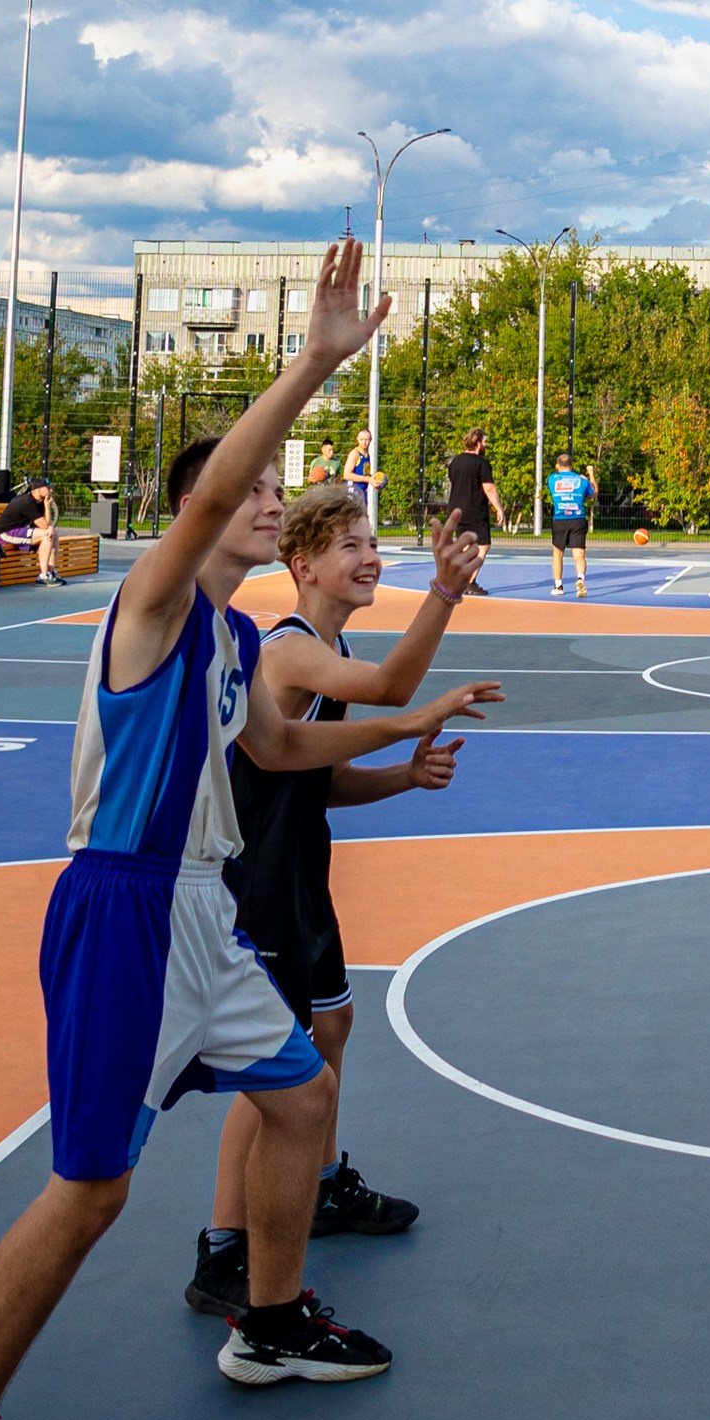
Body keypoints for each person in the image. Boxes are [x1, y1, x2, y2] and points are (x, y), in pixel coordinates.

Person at [0, 240, 497, 1420]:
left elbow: (281, 752)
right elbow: (220, 487)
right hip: (118, 906)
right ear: (204, 512)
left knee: (303, 1092)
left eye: (276, 489)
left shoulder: (232, 645)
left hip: (199, 908)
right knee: (95, 1187)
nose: (271, 502)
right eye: (255, 491)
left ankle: (268, 1323)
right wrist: (317, 360)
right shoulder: (158, 604)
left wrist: (402, 750)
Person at [187, 484, 499, 1320]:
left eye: (372, 542)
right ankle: (223, 1246)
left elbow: (314, 777)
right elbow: (397, 689)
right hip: (257, 879)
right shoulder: (289, 650)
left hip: (300, 868)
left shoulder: (327, 643)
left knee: (330, 1028)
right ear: (303, 566)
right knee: (277, 1063)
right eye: (352, 546)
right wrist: (442, 594)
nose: (371, 557)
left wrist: (405, 777)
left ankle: (318, 1187)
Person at [444, 429, 502, 587]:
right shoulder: (482, 463)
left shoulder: (455, 462)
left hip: (456, 509)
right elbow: (488, 488)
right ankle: (470, 582)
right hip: (475, 509)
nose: (485, 445)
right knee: (483, 545)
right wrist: (499, 508)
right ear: (478, 443)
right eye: (484, 442)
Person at [546, 449, 594, 596]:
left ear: (557, 466)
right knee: (579, 553)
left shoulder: (552, 479)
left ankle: (558, 586)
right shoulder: (581, 481)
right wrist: (591, 473)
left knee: (557, 554)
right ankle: (580, 578)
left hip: (560, 519)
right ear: (572, 465)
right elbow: (593, 493)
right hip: (578, 519)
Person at [7, 461, 64, 586]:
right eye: (48, 488)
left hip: (21, 531)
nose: (51, 490)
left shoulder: (40, 501)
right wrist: (48, 528)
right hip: (8, 533)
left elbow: (48, 525)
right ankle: (43, 575)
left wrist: (47, 507)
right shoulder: (27, 502)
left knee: (54, 532)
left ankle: (51, 571)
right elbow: (45, 527)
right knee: (47, 535)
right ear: (38, 490)